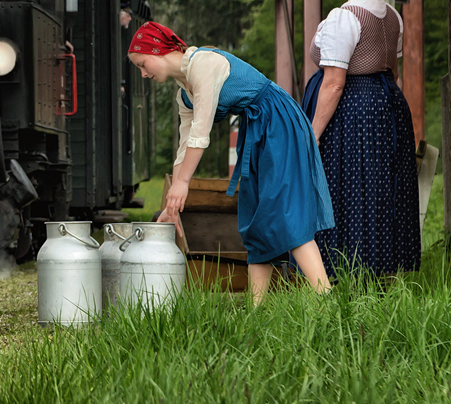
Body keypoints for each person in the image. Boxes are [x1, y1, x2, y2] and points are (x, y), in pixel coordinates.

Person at [128, 20, 335, 303]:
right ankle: (256, 309)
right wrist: (172, 205)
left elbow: (201, 136)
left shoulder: (203, 64)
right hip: (257, 130)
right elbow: (184, 146)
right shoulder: (183, 94)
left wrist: (183, 184)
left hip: (279, 123)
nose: (142, 73)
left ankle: (327, 301)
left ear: (157, 50)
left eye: (142, 63)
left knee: (286, 214)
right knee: (254, 218)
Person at [301, 0, 420, 278]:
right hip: (388, 105)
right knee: (382, 189)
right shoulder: (392, 16)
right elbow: (391, 70)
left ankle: (343, 268)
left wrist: (314, 132)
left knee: (347, 188)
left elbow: (334, 82)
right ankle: (381, 267)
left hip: (353, 110)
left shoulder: (344, 18)